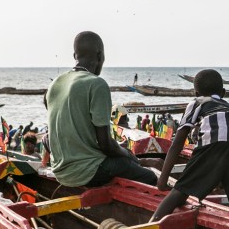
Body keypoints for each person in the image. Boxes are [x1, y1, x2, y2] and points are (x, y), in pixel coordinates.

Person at [46, 31, 156, 188]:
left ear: (74, 55)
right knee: (150, 177)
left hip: (60, 172)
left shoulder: (55, 83)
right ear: (99, 55)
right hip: (87, 173)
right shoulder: (96, 84)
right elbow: (105, 145)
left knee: (123, 158)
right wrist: (131, 156)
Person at [152, 69, 229, 221]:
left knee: (181, 191)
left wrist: (162, 181)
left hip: (214, 143)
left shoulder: (198, 102)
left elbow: (178, 142)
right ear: (223, 92)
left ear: (196, 93)